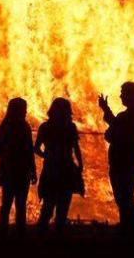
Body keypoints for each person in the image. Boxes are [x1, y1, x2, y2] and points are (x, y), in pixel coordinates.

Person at [98, 81, 134, 239]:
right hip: (120, 161)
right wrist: (106, 109)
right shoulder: (129, 115)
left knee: (125, 197)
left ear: (131, 94)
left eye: (123, 92)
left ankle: (131, 231)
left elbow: (115, 132)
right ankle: (127, 227)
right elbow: (114, 128)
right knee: (122, 197)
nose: (120, 95)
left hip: (126, 162)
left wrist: (112, 131)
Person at [34, 97, 83, 234]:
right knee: (62, 205)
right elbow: (75, 148)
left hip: (52, 169)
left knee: (49, 204)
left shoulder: (45, 127)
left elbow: (36, 148)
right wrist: (80, 165)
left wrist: (47, 156)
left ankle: (43, 233)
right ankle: (57, 234)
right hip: (66, 168)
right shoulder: (70, 127)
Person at [0, 97, 37, 237]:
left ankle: (5, 233)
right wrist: (32, 169)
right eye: (24, 108)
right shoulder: (22, 127)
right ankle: (18, 234)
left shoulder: (8, 126)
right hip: (16, 171)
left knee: (8, 203)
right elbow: (29, 150)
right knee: (17, 204)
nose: (26, 111)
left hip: (12, 170)